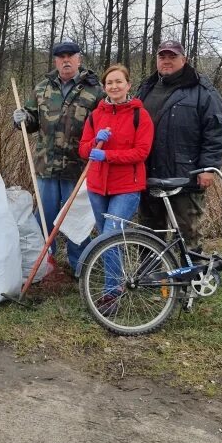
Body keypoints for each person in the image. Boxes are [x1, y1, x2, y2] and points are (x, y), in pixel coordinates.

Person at [13, 40, 102, 275]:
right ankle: (43, 266)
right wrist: (22, 118)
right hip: (46, 166)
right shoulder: (43, 87)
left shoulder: (94, 90)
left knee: (76, 219)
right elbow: (31, 121)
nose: (66, 60)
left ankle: (79, 266)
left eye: (70, 56)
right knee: (44, 217)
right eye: (61, 56)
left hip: (78, 167)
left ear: (78, 59)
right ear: (55, 60)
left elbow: (104, 123)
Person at [136, 40, 222, 252]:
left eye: (172, 57)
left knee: (188, 233)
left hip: (186, 175)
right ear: (157, 60)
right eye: (162, 57)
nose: (167, 61)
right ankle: (152, 277)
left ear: (183, 60)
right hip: (149, 173)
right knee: (149, 231)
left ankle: (193, 279)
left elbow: (217, 132)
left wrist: (208, 168)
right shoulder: (146, 88)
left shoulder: (201, 90)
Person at [79, 64, 154, 304]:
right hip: (97, 186)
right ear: (104, 87)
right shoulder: (96, 115)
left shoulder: (139, 115)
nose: (114, 86)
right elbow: (82, 148)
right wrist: (94, 145)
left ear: (128, 85)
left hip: (127, 187)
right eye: (109, 83)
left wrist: (108, 156)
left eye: (119, 82)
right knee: (106, 238)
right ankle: (119, 281)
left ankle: (112, 291)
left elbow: (141, 152)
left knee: (110, 235)